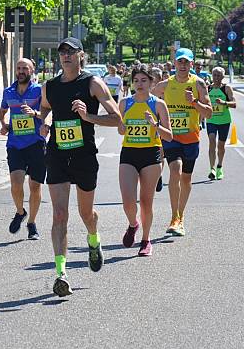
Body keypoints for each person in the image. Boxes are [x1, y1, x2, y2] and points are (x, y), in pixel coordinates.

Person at [39, 37, 121, 297]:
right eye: (62, 52)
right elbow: (44, 109)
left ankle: (93, 240)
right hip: (57, 154)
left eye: (71, 52)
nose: (66, 56)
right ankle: (61, 274)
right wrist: (43, 122)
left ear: (81, 55)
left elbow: (117, 119)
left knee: (86, 214)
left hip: (84, 155)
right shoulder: (49, 87)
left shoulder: (92, 83)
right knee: (59, 215)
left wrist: (88, 117)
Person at [153, 48, 212, 236]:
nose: (183, 65)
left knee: (186, 178)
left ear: (192, 64)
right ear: (174, 64)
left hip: (191, 138)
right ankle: (174, 217)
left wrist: (194, 102)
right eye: (180, 61)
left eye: (187, 62)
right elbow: (148, 99)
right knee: (175, 169)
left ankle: (181, 215)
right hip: (171, 138)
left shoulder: (199, 84)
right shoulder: (165, 85)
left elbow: (209, 113)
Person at [118, 65, 173, 256]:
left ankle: (146, 240)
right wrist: (122, 127)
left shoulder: (158, 104)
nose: (139, 84)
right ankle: (133, 224)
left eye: (143, 80)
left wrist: (154, 124)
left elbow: (169, 136)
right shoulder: (125, 103)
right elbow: (120, 130)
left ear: (151, 82)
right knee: (127, 201)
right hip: (129, 153)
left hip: (151, 154)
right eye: (136, 81)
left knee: (146, 202)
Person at [0, 58, 45, 239]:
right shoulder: (8, 92)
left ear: (32, 70)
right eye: (18, 68)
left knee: (35, 186)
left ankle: (32, 223)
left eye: (25, 68)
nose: (21, 71)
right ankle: (20, 212)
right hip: (15, 144)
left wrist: (35, 113)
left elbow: (48, 113)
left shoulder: (40, 91)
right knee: (16, 183)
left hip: (36, 143)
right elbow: (2, 111)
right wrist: (4, 124)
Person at [207, 66, 236, 180]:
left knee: (221, 146)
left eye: (219, 75)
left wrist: (223, 102)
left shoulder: (226, 88)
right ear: (212, 76)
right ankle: (212, 169)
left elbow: (234, 104)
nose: (216, 77)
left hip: (224, 121)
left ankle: (219, 166)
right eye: (214, 75)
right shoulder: (208, 88)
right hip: (211, 120)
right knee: (212, 142)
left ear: (223, 76)